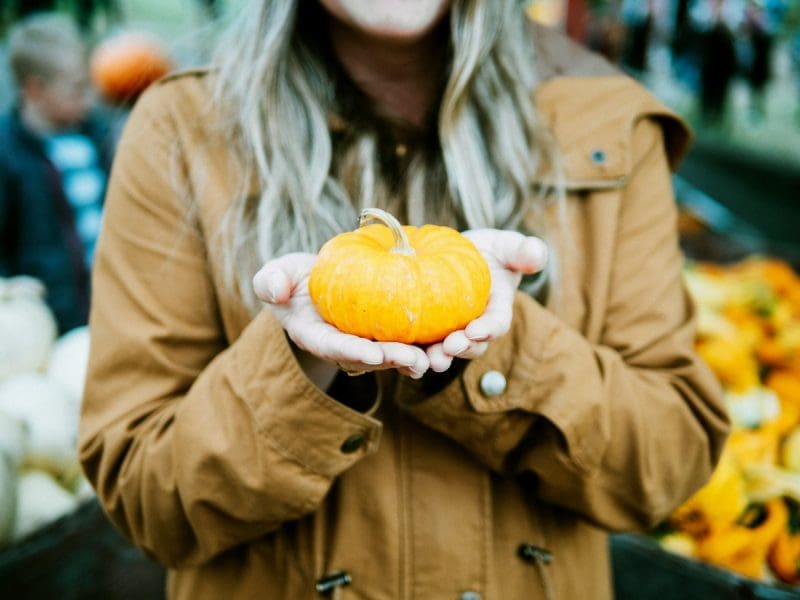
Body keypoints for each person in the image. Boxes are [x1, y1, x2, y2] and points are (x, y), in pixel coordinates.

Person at [78, 1, 729, 598]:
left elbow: (668, 465)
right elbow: (143, 499)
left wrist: (495, 342)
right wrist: (299, 367)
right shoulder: (181, 130)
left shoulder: (611, 126)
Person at [0, 14, 111, 334]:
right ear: (35, 89)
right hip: (52, 314)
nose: (90, 97)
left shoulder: (97, 137)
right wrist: (9, 286)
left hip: (108, 301)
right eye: (77, 89)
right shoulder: (10, 154)